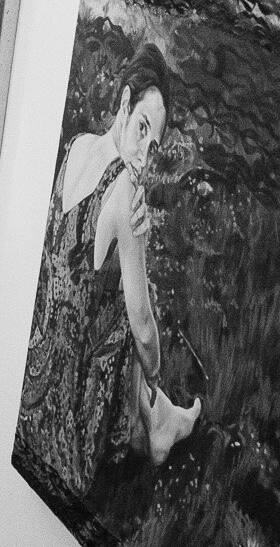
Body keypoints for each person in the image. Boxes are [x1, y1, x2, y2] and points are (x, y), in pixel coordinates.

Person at [19, 42, 199, 496]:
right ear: (123, 101)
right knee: (133, 315)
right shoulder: (123, 193)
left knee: (115, 284)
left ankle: (160, 421)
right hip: (67, 406)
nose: (143, 154)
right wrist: (155, 375)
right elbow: (142, 326)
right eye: (141, 128)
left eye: (152, 144)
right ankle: (157, 421)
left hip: (33, 372)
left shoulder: (77, 145)